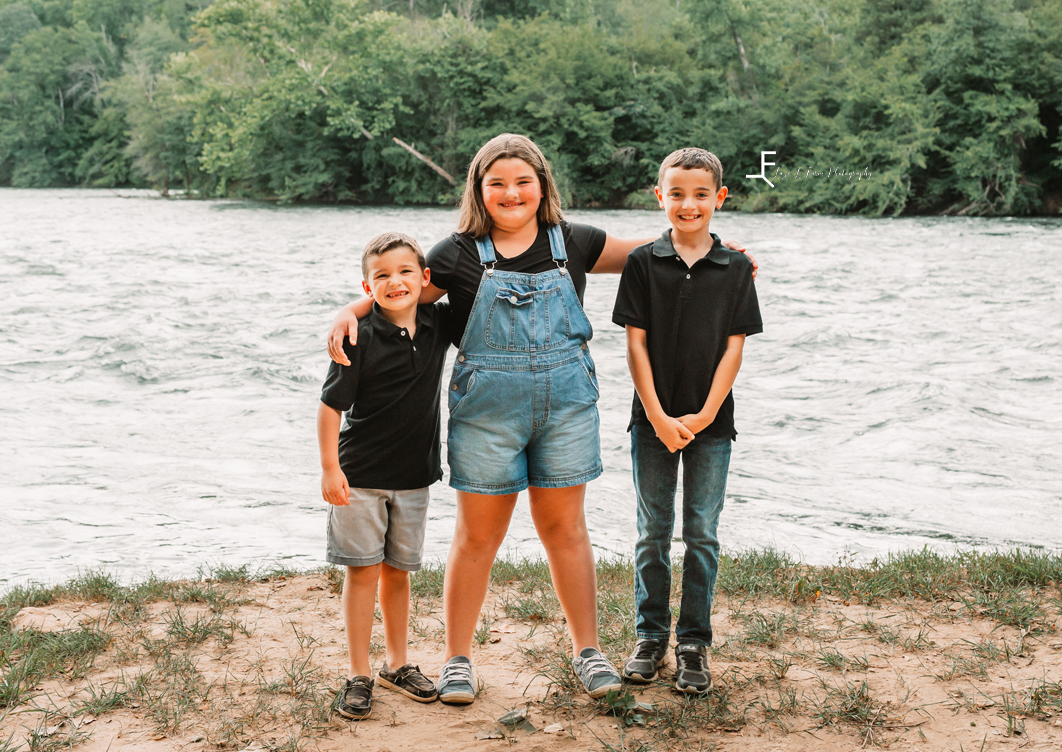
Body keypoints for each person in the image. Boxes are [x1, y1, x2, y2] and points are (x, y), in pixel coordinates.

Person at [327, 134, 759, 705]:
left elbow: (650, 248)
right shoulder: (456, 252)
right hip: (487, 413)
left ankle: (588, 651)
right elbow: (397, 289)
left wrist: (727, 256)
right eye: (497, 183)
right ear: (479, 191)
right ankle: (459, 659)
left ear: (543, 186)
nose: (511, 193)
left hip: (565, 408)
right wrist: (350, 308)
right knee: (477, 536)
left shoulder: (574, 240)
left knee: (565, 530)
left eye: (523, 181)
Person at [612, 148, 763, 694]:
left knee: (702, 534)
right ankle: (649, 636)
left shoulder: (736, 267)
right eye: (676, 193)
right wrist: (656, 413)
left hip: (712, 426)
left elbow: (734, 350)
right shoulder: (641, 263)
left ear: (719, 198)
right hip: (650, 419)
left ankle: (694, 643)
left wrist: (702, 415)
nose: (688, 203)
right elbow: (635, 346)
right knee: (651, 533)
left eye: (701, 194)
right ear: (660, 196)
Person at [317, 232, 454, 719]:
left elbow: (467, 282)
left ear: (424, 279)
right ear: (366, 284)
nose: (395, 282)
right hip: (361, 477)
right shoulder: (360, 336)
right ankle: (358, 673)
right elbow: (331, 407)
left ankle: (397, 664)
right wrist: (330, 469)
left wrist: (350, 305)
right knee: (363, 573)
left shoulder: (438, 324)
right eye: (382, 276)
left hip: (415, 476)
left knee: (399, 573)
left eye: (405, 272)